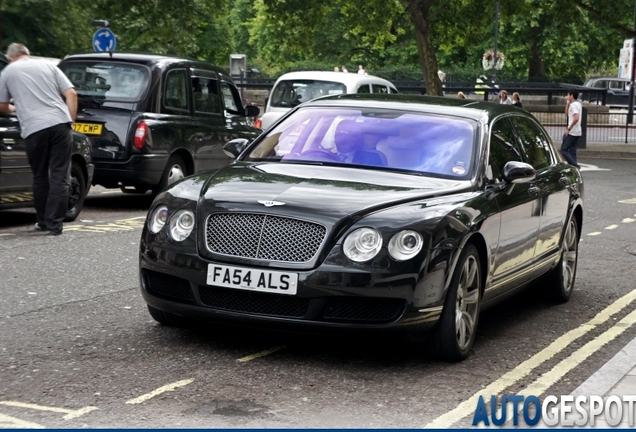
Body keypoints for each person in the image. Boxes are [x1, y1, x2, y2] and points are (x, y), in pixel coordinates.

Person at [0, 43, 77, 235]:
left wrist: (14, 108)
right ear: (27, 54)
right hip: (60, 124)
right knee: (60, 175)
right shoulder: (48, 66)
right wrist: (71, 122)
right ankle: (55, 225)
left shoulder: (8, 72)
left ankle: (42, 221)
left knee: (40, 175)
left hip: (34, 129)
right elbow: (71, 94)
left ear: (11, 57)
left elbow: (2, 106)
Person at [562, 90, 582, 169]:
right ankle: (575, 167)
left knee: (564, 149)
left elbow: (576, 118)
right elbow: (566, 114)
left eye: (568, 95)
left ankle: (575, 166)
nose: (567, 96)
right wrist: (567, 104)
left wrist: (569, 128)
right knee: (572, 151)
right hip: (577, 131)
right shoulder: (578, 104)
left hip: (572, 131)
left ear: (572, 95)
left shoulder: (574, 105)